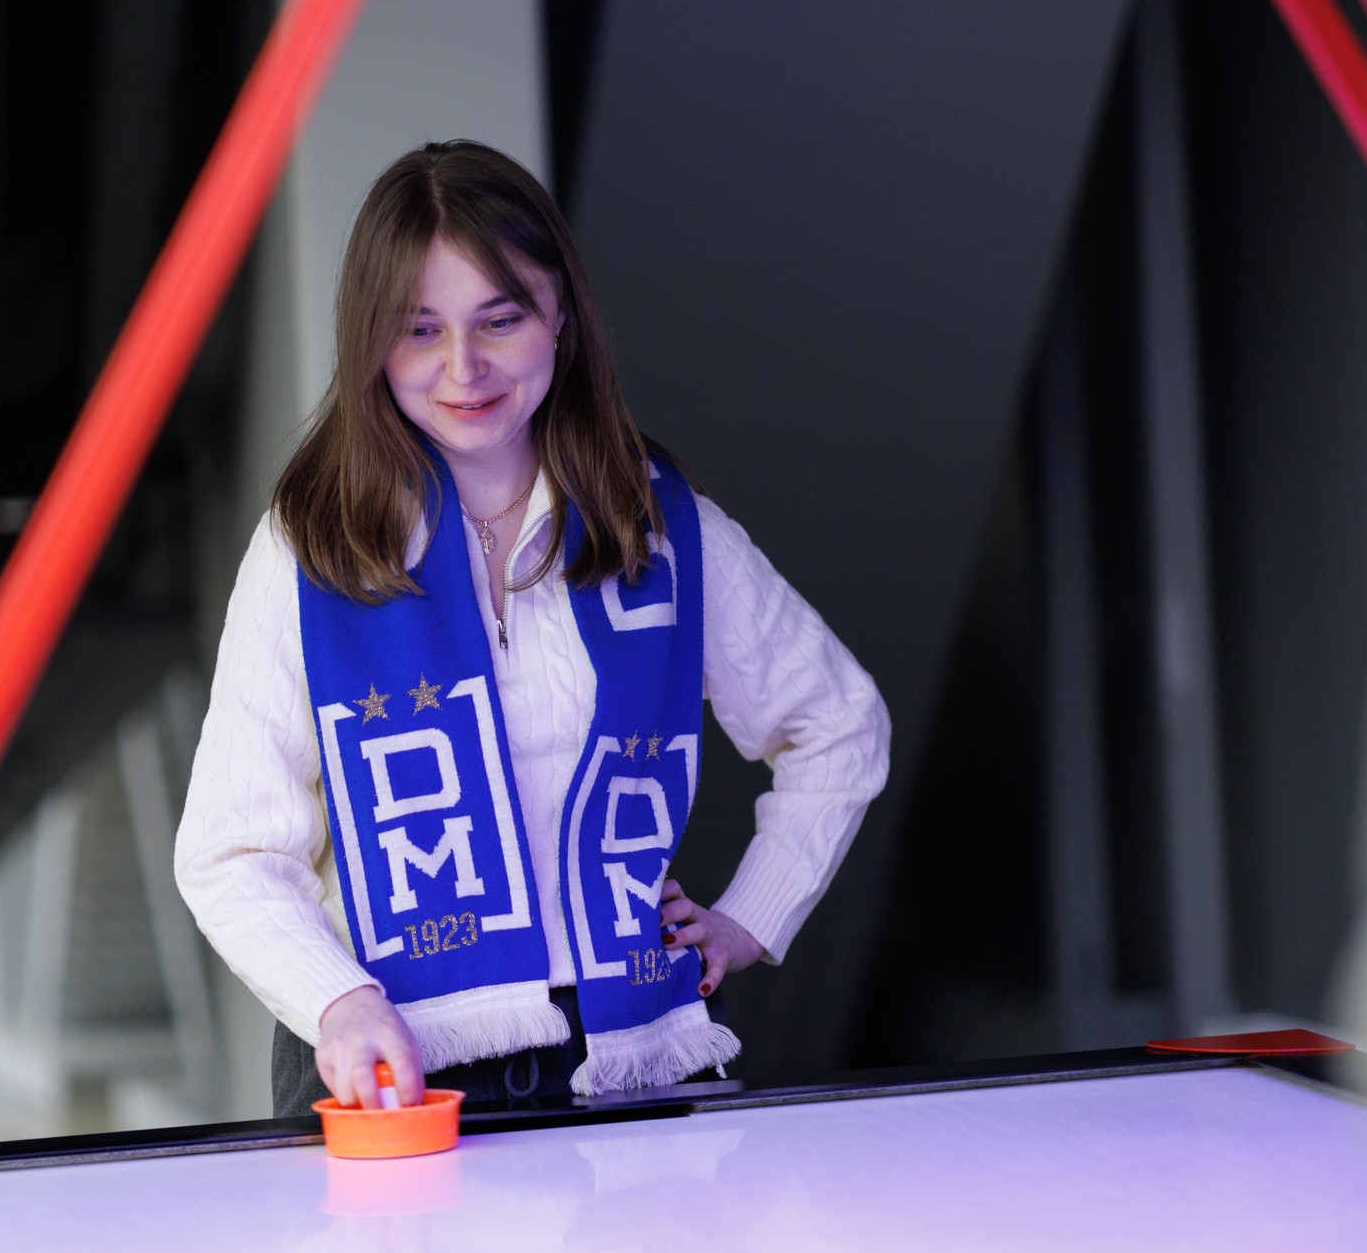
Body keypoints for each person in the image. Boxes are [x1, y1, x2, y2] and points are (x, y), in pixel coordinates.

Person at [175, 140, 889, 1117]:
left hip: (631, 1053)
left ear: (561, 317)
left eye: (499, 319)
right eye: (418, 329)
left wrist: (745, 919)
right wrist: (337, 1002)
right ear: (370, 342)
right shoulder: (309, 551)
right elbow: (229, 852)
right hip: (392, 1066)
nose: (461, 367)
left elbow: (839, 725)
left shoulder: (662, 528)